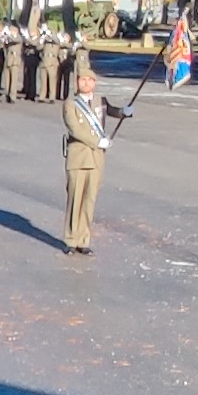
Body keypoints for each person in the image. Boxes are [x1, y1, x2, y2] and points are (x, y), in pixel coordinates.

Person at [61, 70, 133, 256]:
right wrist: (97, 142)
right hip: (78, 156)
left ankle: (83, 240)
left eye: (89, 80)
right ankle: (71, 239)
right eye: (82, 80)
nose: (85, 83)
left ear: (94, 82)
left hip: (96, 158)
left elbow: (111, 111)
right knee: (75, 198)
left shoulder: (100, 100)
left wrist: (123, 112)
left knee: (89, 200)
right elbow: (75, 129)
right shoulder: (70, 104)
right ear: (77, 83)